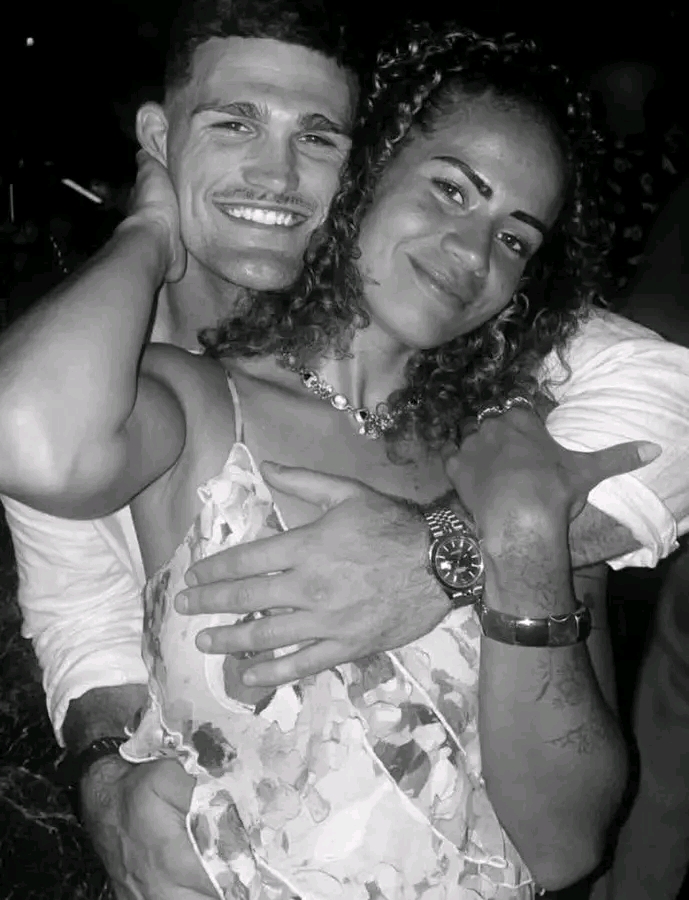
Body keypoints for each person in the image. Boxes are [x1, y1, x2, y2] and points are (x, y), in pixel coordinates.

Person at [4, 15, 689, 900]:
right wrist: (150, 228)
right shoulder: (196, 399)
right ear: (367, 175)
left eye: (515, 238)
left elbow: (566, 844)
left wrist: (516, 543)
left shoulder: (519, 450)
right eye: (449, 189)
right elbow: (28, 445)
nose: (472, 251)